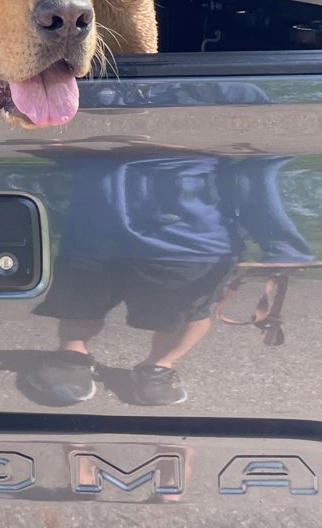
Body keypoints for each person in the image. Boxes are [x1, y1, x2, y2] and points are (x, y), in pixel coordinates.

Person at [25, 150, 313, 406]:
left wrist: (279, 240)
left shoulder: (221, 92)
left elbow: (257, 169)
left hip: (189, 241)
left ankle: (159, 366)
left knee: (187, 312)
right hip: (93, 228)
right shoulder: (74, 89)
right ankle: (72, 355)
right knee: (80, 304)